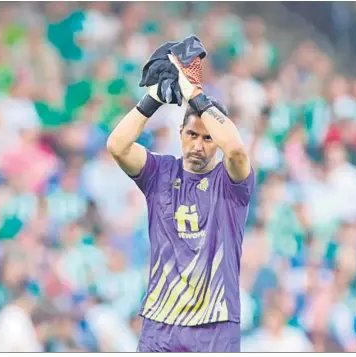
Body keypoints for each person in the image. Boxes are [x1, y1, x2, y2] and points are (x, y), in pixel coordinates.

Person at [106, 49, 255, 352]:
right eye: (191, 135)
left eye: (207, 138)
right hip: (160, 325)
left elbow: (237, 150)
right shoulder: (158, 172)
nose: (197, 145)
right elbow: (118, 146)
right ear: (180, 132)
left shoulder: (231, 184)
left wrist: (195, 94)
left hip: (214, 325)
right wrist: (153, 99)